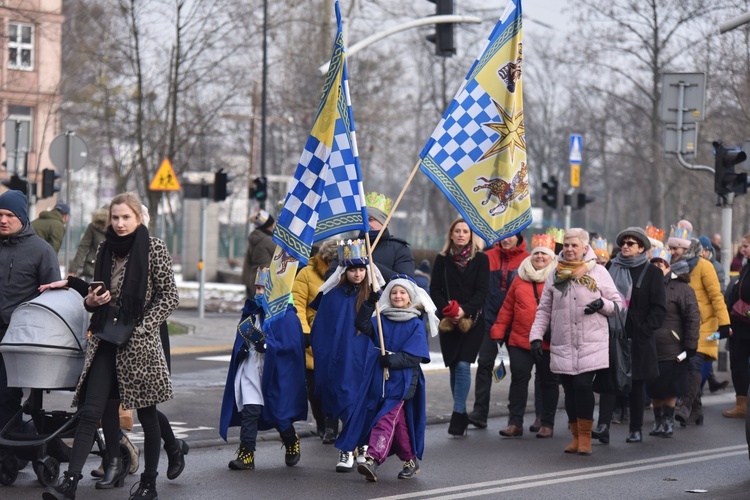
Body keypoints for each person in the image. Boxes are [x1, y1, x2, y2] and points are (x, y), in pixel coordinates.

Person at [43, 192, 179, 500]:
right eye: (115, 218)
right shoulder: (105, 249)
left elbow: (169, 296)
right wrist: (91, 300)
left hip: (140, 344)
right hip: (106, 338)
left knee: (146, 413)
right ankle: (70, 483)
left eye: (125, 217)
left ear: (139, 218)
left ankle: (148, 484)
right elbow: (94, 298)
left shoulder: (154, 248)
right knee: (91, 411)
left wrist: (142, 326)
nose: (119, 223)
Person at [529, 228, 622, 455]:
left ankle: (587, 437)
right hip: (563, 342)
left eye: (574, 246)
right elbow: (544, 310)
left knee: (582, 386)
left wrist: (602, 304)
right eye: (567, 245)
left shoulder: (598, 271)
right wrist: (535, 337)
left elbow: (618, 303)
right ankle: (575, 436)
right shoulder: (555, 273)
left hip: (591, 342)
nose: (569, 250)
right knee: (569, 390)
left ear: (584, 248)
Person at [340, 275, 433, 482]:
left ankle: (373, 459)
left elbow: (415, 356)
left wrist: (390, 360)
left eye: (402, 293)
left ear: (409, 297)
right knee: (396, 422)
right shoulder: (381, 320)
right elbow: (361, 324)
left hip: (403, 380)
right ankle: (410, 460)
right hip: (380, 379)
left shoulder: (415, 324)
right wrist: (368, 303)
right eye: (393, 292)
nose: (397, 296)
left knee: (385, 418)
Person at [219, 267, 307, 472]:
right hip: (251, 367)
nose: (259, 293)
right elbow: (241, 338)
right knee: (250, 410)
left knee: (278, 413)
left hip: (276, 372)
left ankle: (290, 439)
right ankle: (246, 454)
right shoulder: (251, 312)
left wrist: (269, 347)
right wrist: (240, 350)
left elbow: (293, 346)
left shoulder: (286, 315)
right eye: (257, 288)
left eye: (263, 289)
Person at [311, 240, 385, 472]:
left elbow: (382, 330)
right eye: (353, 269)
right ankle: (348, 449)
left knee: (362, 404)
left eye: (362, 268)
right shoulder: (333, 296)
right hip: (340, 360)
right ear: (344, 270)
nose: (357, 273)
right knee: (345, 401)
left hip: (365, 360)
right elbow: (321, 330)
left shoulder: (374, 296)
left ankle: (359, 446)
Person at [596, 227, 666, 444]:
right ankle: (603, 426)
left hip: (638, 335)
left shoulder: (652, 272)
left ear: (642, 248)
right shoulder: (610, 267)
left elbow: (659, 309)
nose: (625, 246)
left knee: (636, 383)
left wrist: (644, 329)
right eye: (623, 243)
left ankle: (635, 429)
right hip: (613, 331)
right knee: (609, 379)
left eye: (631, 243)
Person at [0, 190, 61, 432]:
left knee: (6, 395)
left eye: (9, 215)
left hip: (18, 338)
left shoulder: (41, 250)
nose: (3, 220)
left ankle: (11, 455)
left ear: (23, 218)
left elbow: (52, 297)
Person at [490, 234, 559, 438]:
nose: (539, 257)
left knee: (548, 382)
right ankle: (515, 423)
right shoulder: (519, 277)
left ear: (551, 258)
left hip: (548, 341)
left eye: (544, 254)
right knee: (519, 380)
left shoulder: (558, 278)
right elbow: (508, 307)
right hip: (520, 339)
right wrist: (499, 331)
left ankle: (547, 423)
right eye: (536, 253)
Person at [429, 218, 489, 436]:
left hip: (472, 321)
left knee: (463, 365)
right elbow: (434, 289)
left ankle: (458, 412)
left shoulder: (481, 259)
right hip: (448, 322)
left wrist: (464, 310)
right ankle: (462, 414)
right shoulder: (442, 259)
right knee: (454, 366)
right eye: (458, 231)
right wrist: (448, 310)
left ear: (471, 236)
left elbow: (482, 292)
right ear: (451, 235)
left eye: (466, 231)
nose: (462, 235)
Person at [668, 222, 731, 426]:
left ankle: (686, 405)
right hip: (682, 325)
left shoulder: (705, 266)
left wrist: (724, 324)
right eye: (671, 248)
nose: (673, 251)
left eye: (676, 248)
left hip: (705, 325)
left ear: (687, 248)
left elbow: (716, 296)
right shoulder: (672, 267)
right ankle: (697, 410)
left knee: (694, 362)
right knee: (685, 365)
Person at [469, 232, 529, 429]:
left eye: (510, 235)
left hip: (517, 324)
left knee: (520, 372)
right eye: (502, 235)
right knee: (484, 365)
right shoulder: (487, 257)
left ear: (519, 236)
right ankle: (479, 413)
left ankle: (515, 420)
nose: (505, 239)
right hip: (490, 322)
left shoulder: (527, 259)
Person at [646, 248, 700, 438]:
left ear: (668, 266)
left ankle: (668, 421)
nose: (657, 267)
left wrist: (690, 345)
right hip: (650, 345)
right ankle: (658, 420)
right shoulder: (644, 286)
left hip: (673, 347)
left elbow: (692, 318)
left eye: (660, 263)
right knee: (654, 385)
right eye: (653, 263)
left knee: (670, 385)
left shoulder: (682, 288)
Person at [291, 239, 339, 439]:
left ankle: (331, 425)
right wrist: (304, 331)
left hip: (337, 339)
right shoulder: (306, 274)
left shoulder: (348, 274)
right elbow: (297, 303)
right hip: (313, 337)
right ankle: (321, 422)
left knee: (335, 385)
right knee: (314, 387)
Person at [326, 192, 415, 280]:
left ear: (383, 222)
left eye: (371, 219)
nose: (366, 223)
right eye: (363, 219)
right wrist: (351, 272)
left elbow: (406, 282)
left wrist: (373, 267)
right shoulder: (349, 245)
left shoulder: (399, 249)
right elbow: (329, 277)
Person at [724, 234, 750, 420]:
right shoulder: (745, 266)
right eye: (742, 245)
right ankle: (741, 404)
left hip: (746, 323)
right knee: (738, 364)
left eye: (746, 245)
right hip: (740, 326)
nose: (743, 249)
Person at [241, 210, 275, 295]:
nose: (274, 227)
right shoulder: (267, 240)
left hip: (252, 280)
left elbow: (247, 262)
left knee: (254, 307)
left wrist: (246, 281)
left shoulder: (254, 239)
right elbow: (281, 254)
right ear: (268, 226)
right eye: (272, 225)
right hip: (264, 281)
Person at [69, 206, 108, 281]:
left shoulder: (117, 230)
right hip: (91, 269)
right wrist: (73, 270)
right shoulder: (92, 227)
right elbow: (83, 248)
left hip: (107, 269)